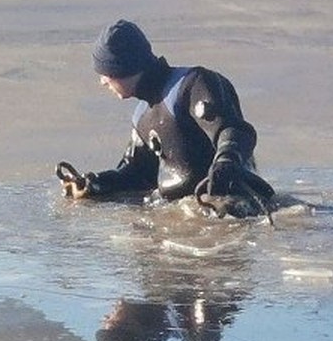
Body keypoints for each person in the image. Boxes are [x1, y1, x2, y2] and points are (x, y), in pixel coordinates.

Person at [57, 19, 275, 214]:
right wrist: (93, 184)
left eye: (104, 73)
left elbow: (233, 130)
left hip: (232, 206)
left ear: (121, 67)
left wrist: (227, 160)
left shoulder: (193, 84)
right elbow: (138, 175)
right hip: (183, 215)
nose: (102, 82)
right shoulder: (142, 115)